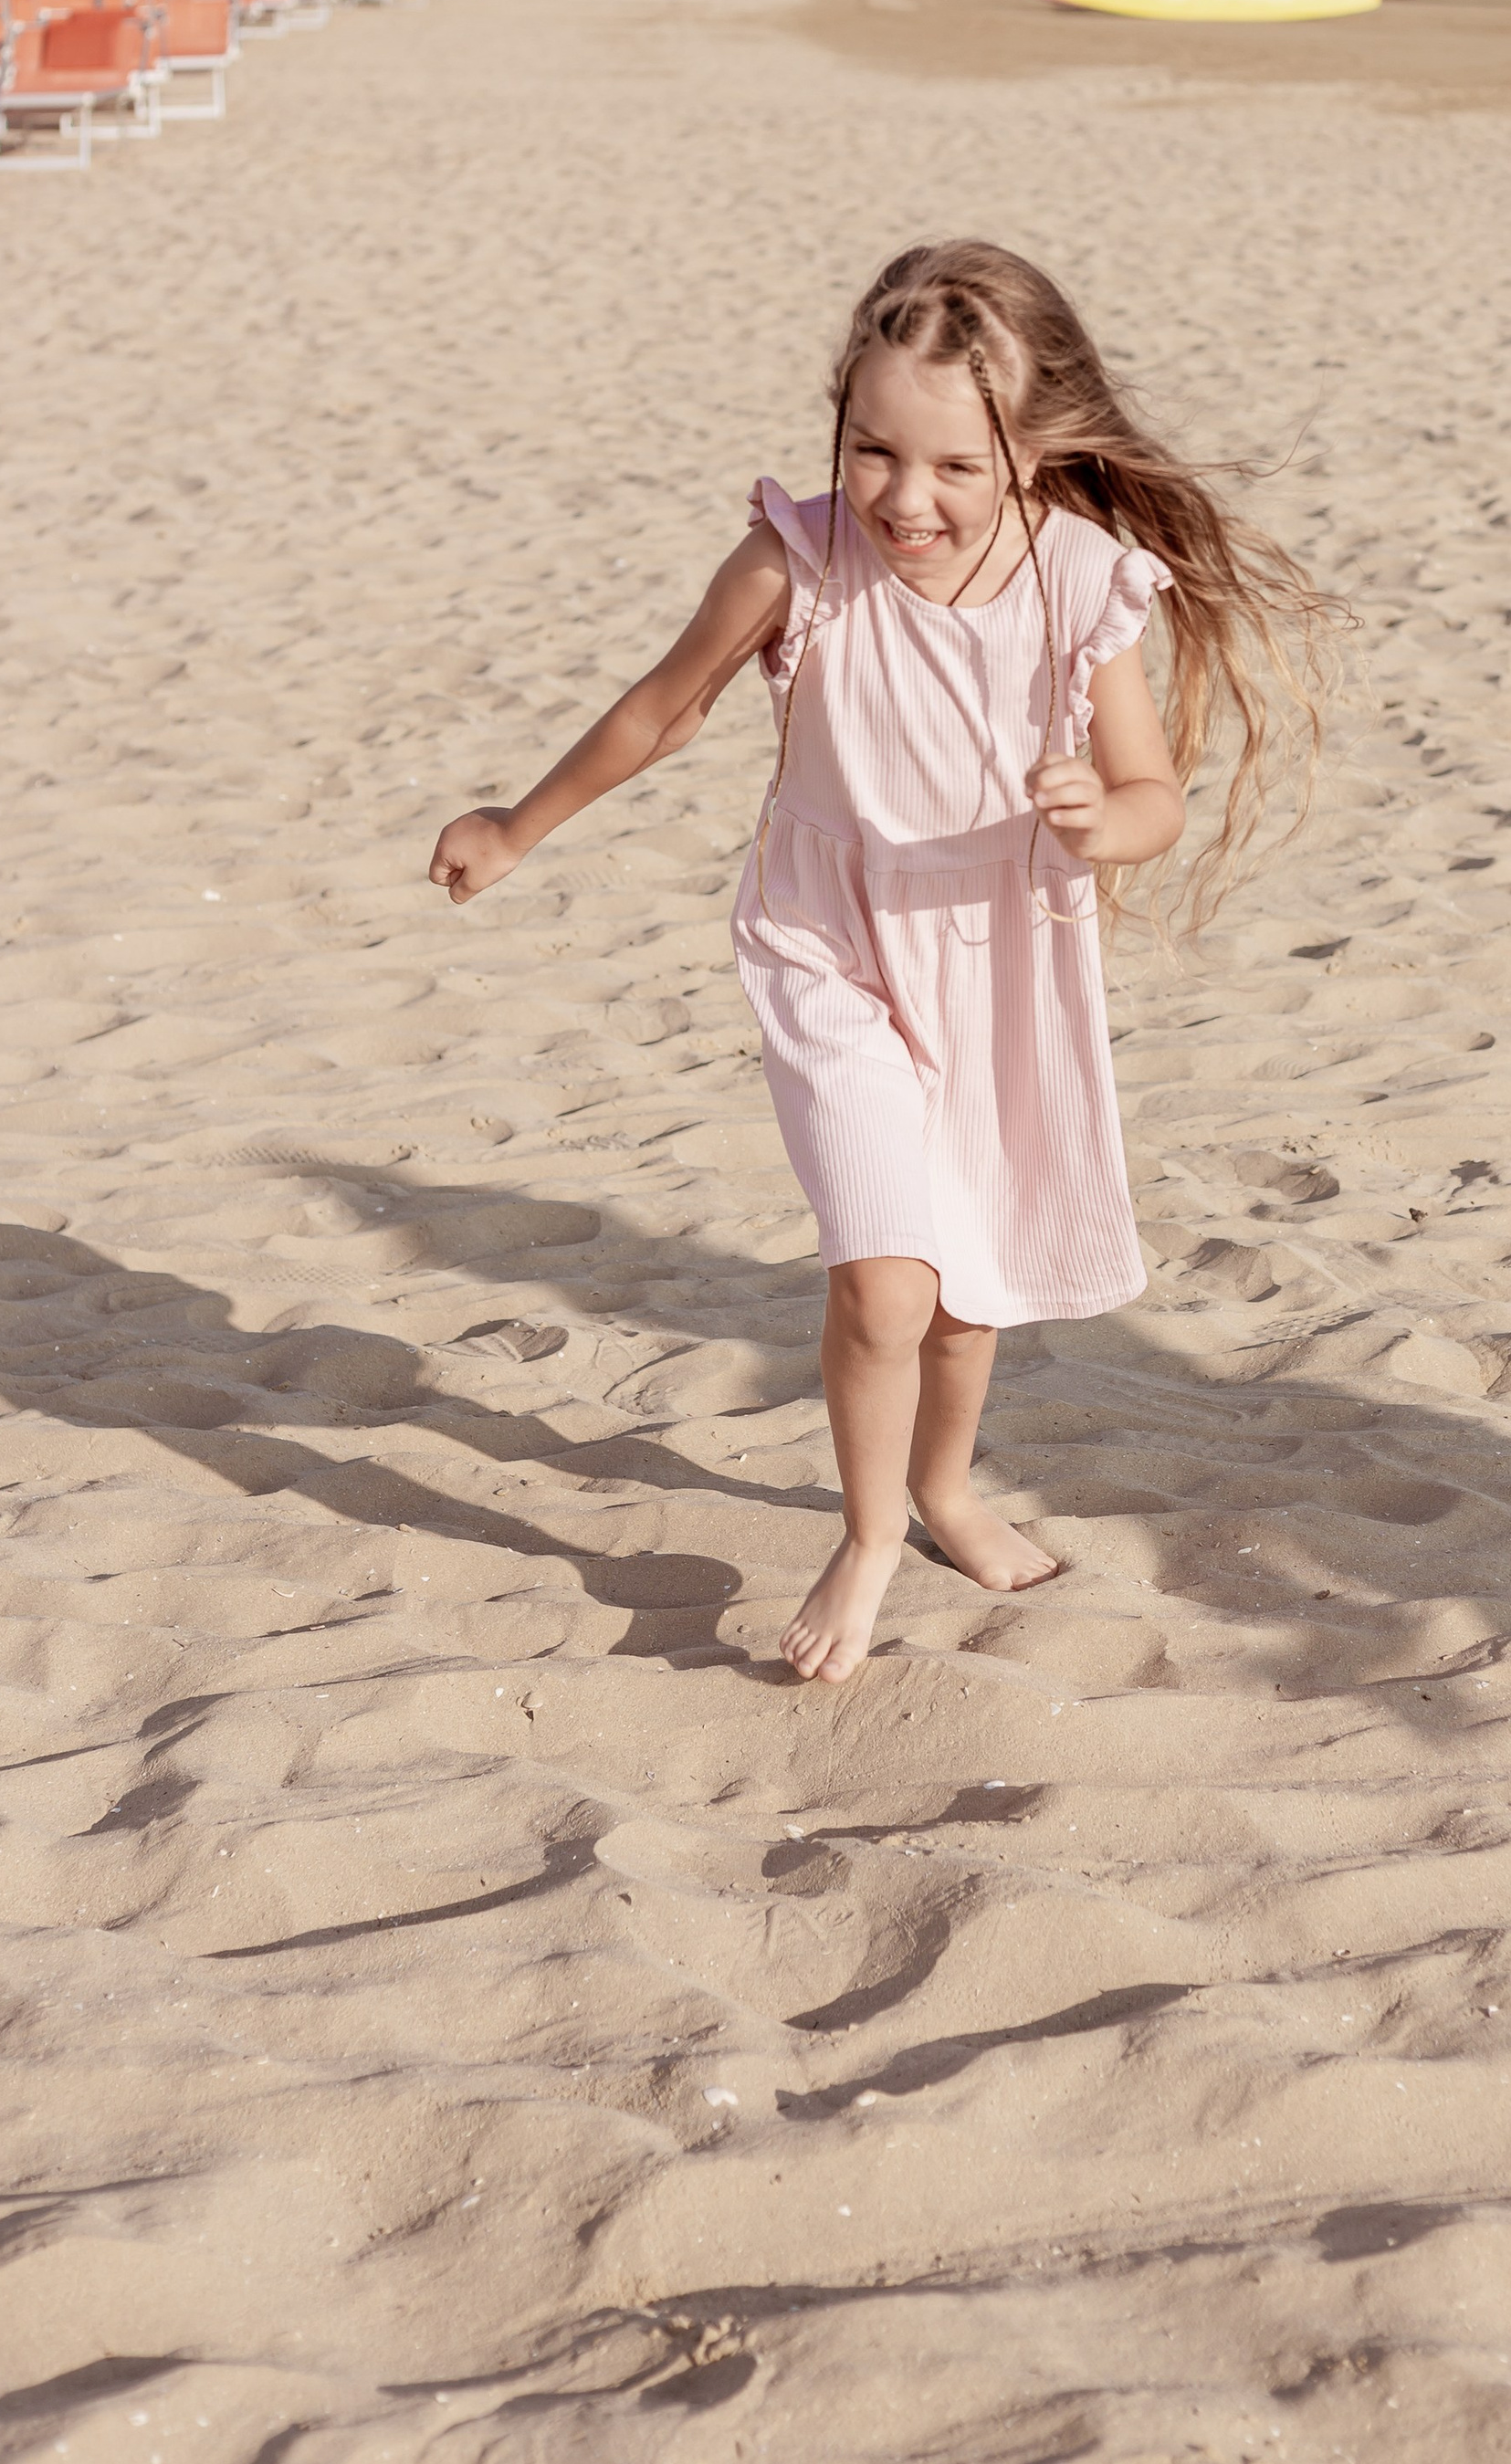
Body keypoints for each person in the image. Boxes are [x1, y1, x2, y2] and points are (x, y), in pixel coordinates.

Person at [429, 241, 1338, 1682]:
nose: (905, 500)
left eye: (954, 468)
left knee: (970, 1289)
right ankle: (864, 1536)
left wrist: (1113, 821)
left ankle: (946, 1488)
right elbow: (660, 713)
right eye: (872, 452)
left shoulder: (1082, 578)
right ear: (838, 427)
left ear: (1033, 454)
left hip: (1003, 963)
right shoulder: (800, 561)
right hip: (825, 945)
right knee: (887, 1283)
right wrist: (516, 824)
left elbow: (1152, 792)